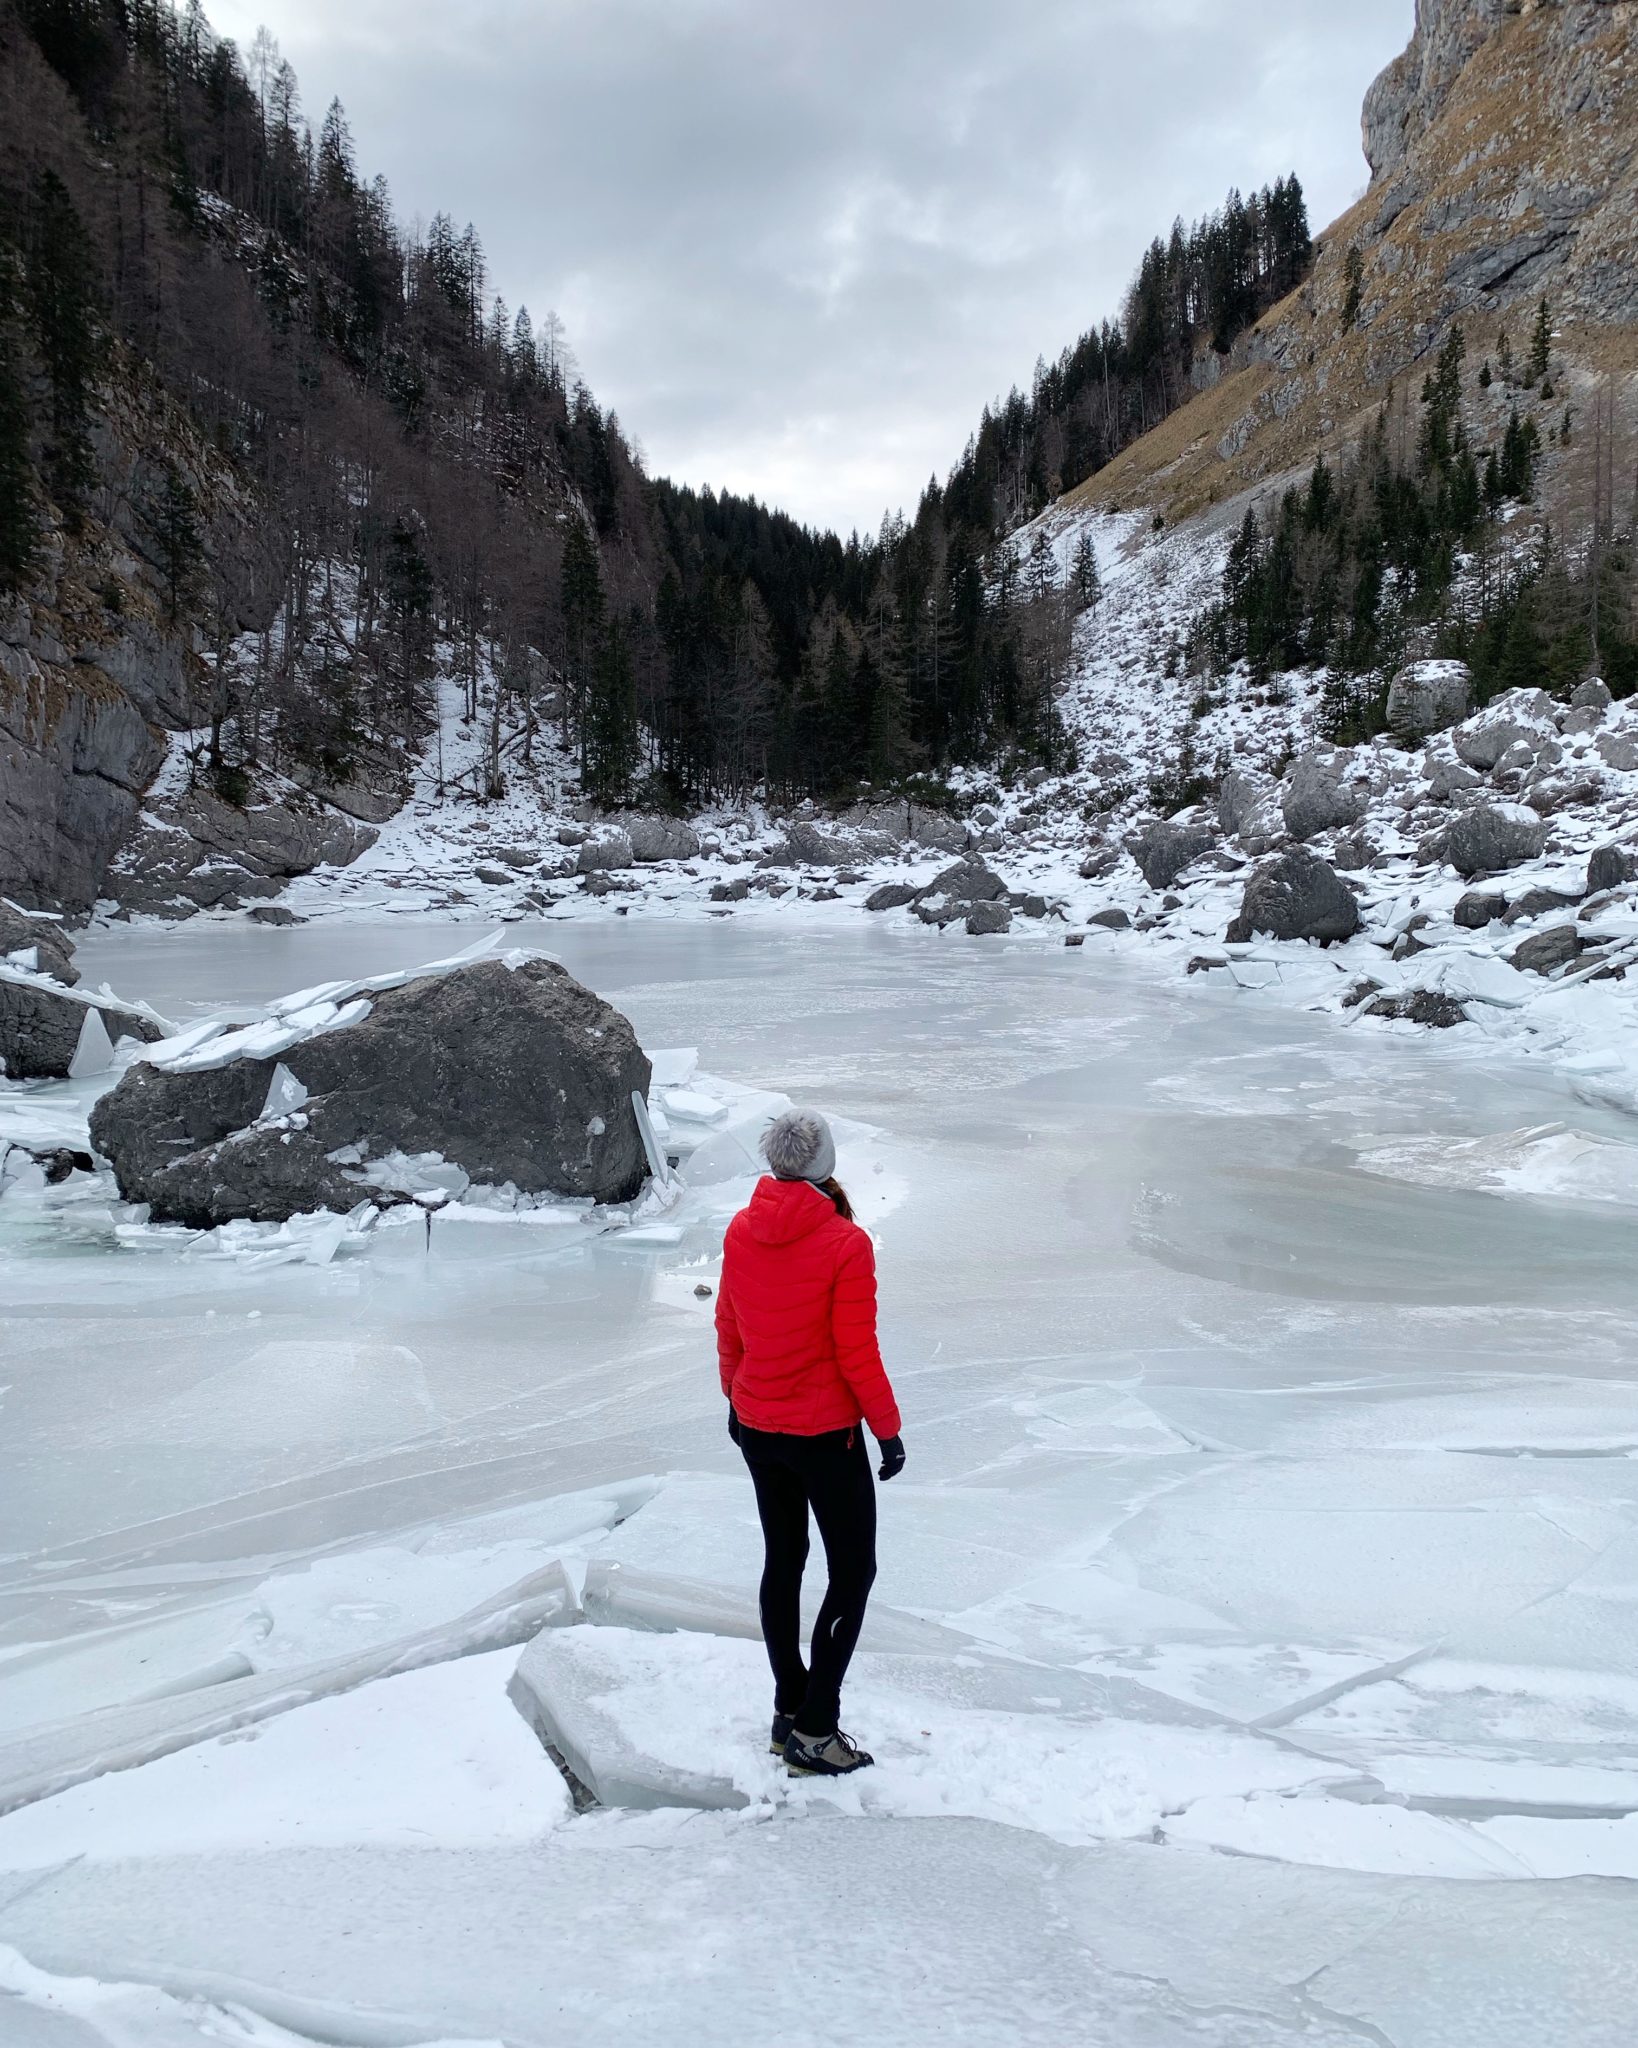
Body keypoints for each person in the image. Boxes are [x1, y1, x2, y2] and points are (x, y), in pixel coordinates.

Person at [715, 1108, 904, 1777]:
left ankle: (787, 1712)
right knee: (853, 1573)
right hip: (824, 1438)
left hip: (759, 1428)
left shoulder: (742, 1228)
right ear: (825, 1164)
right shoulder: (844, 1244)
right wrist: (888, 1431)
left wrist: (738, 1402)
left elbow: (729, 1325)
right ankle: (815, 1731)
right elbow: (857, 1352)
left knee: (784, 1560)